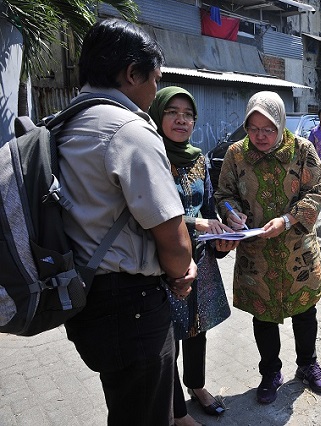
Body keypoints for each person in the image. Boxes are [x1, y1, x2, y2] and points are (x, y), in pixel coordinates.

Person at [59, 19, 196, 426]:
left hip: (87, 296)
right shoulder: (129, 131)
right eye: (154, 80)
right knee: (146, 413)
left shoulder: (65, 123)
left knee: (126, 404)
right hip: (132, 303)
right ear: (131, 74)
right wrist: (181, 275)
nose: (154, 91)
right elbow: (171, 236)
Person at [215, 91, 321, 405]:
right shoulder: (236, 155)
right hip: (256, 253)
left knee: (305, 310)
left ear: (280, 124)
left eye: (268, 129)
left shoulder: (302, 150)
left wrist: (288, 219)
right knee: (263, 316)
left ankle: (307, 364)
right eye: (253, 129)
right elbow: (224, 193)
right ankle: (270, 372)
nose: (261, 136)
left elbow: (317, 190)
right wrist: (231, 213)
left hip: (297, 253)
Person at [149, 87, 238, 426]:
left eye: (188, 114)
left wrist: (225, 231)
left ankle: (197, 386)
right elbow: (147, 214)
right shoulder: (152, 156)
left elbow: (210, 206)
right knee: (167, 336)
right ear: (158, 115)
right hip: (163, 263)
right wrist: (194, 223)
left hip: (199, 259)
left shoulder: (198, 158)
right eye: (173, 112)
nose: (182, 119)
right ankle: (176, 411)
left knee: (196, 328)